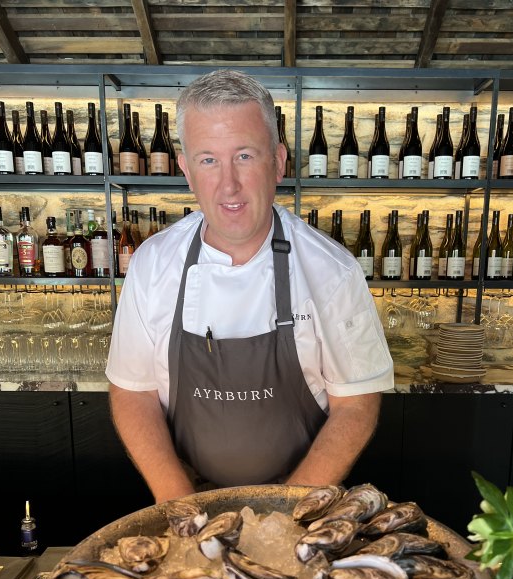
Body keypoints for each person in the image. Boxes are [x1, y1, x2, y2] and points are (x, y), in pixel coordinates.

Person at [106, 70, 394, 504]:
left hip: (303, 499)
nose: (229, 185)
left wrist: (286, 512)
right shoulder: (152, 263)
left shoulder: (333, 271)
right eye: (208, 160)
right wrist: (180, 507)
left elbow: (356, 405)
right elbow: (133, 392)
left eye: (244, 156)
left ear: (278, 161)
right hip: (188, 494)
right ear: (185, 170)